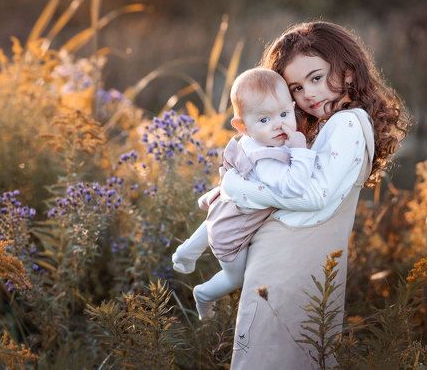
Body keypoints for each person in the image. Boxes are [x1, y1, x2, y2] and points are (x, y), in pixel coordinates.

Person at [219, 21, 408, 368]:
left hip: (290, 268)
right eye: (296, 87)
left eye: (317, 78)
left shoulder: (347, 123)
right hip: (291, 266)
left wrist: (241, 189)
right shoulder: (338, 123)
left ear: (348, 71)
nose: (308, 94)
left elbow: (314, 196)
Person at [171, 67, 317, 320]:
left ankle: (187, 251)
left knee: (212, 223)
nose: (278, 125)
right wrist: (301, 151)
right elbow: (294, 188)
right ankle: (204, 294)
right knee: (235, 276)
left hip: (225, 209)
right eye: (264, 120)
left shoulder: (251, 143)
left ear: (293, 107)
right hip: (233, 233)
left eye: (284, 113)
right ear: (242, 126)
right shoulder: (267, 160)